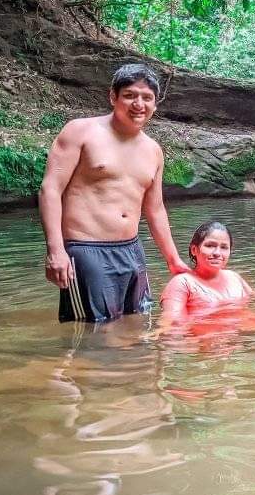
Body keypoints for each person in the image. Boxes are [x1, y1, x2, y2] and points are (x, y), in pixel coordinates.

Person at [39, 63, 190, 323]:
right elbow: (50, 189)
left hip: (132, 250)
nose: (138, 104)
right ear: (113, 97)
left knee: (139, 323)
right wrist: (56, 250)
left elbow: (155, 209)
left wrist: (173, 259)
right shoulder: (80, 131)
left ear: (155, 105)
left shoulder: (153, 150)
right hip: (86, 250)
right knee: (94, 333)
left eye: (147, 98)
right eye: (130, 95)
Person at [159, 221, 255, 317]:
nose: (217, 253)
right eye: (210, 245)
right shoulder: (182, 283)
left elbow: (254, 295)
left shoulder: (233, 277)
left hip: (243, 336)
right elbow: (173, 323)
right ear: (194, 249)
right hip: (207, 341)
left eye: (224, 247)